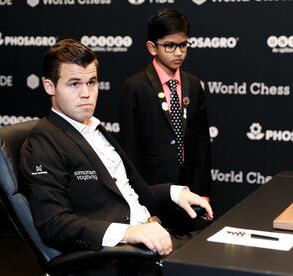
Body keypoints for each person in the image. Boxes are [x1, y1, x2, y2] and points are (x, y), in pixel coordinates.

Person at [19, 39, 213, 261]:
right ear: (49, 86)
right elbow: (54, 223)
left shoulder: (95, 128)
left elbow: (125, 193)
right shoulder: (43, 142)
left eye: (91, 82)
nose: (86, 93)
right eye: (74, 84)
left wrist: (175, 192)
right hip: (121, 256)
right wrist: (129, 233)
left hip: (158, 235)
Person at [119, 9, 212, 201]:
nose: (178, 52)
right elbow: (131, 149)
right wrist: (137, 196)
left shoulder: (193, 84)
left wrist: (204, 191)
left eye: (183, 45)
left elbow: (202, 143)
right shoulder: (135, 87)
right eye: (169, 46)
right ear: (152, 48)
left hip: (190, 186)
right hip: (152, 187)